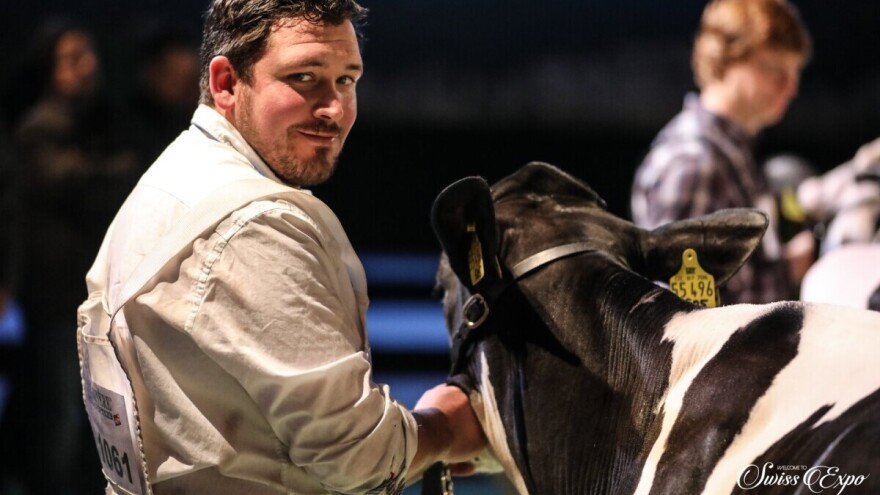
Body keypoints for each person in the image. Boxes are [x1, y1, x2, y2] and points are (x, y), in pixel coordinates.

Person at [80, 1, 486, 493]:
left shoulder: (177, 177)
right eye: (304, 77)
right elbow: (354, 454)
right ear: (227, 83)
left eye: (346, 80)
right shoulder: (255, 225)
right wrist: (444, 427)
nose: (334, 109)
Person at [2, 17, 134, 494]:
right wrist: (98, 171)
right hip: (56, 293)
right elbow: (71, 183)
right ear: (49, 68)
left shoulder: (91, 126)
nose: (87, 66)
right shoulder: (40, 127)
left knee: (83, 412)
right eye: (72, 58)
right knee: (57, 411)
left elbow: (119, 176)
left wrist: (94, 170)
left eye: (88, 55)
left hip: (84, 294)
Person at [630, 0, 814, 305]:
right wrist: (792, 268)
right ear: (724, 61)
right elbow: (685, 317)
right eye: (774, 69)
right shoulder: (694, 164)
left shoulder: (731, 153)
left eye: (794, 73)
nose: (790, 87)